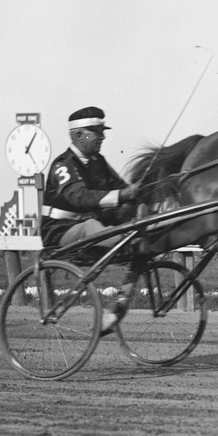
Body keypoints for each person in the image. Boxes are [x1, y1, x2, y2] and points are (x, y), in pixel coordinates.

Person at [41, 106, 143, 335]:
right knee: (90, 226)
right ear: (78, 135)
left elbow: (122, 190)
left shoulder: (99, 162)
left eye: (101, 131)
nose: (103, 136)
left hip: (91, 229)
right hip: (59, 232)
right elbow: (80, 198)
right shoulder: (62, 165)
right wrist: (123, 196)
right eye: (96, 131)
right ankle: (127, 240)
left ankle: (118, 303)